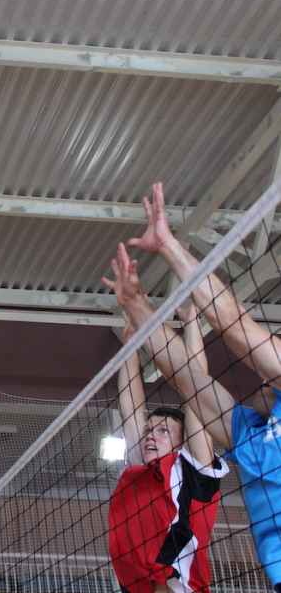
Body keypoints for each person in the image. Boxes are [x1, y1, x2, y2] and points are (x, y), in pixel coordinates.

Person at [108, 182, 281, 589]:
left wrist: (169, 246)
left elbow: (230, 321)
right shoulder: (254, 434)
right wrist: (137, 307)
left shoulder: (206, 457)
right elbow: (187, 376)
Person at [108, 308, 228, 593]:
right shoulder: (141, 469)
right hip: (139, 583)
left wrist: (191, 322)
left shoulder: (194, 471)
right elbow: (131, 406)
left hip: (178, 584)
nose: (151, 435)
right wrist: (130, 342)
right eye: (150, 430)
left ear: (182, 442)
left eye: (163, 431)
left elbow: (196, 389)